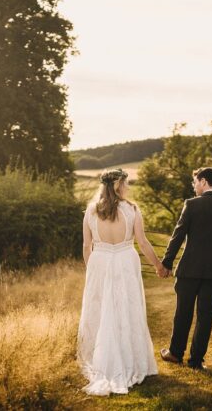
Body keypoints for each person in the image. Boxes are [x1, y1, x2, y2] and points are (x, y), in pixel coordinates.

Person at [77, 168, 165, 395]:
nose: (128, 188)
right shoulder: (132, 210)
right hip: (125, 260)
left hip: (100, 262)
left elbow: (87, 246)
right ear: (118, 185)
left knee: (102, 310)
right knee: (126, 308)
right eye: (126, 184)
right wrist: (158, 264)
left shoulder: (90, 211)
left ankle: (104, 360)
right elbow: (143, 243)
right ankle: (129, 360)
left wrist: (92, 271)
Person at [159, 167, 212, 370]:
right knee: (206, 316)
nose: (194, 186)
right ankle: (196, 361)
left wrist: (167, 263)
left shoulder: (191, 205)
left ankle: (175, 353)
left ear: (203, 181)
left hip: (189, 270)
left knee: (183, 313)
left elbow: (178, 236)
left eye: (195, 182)